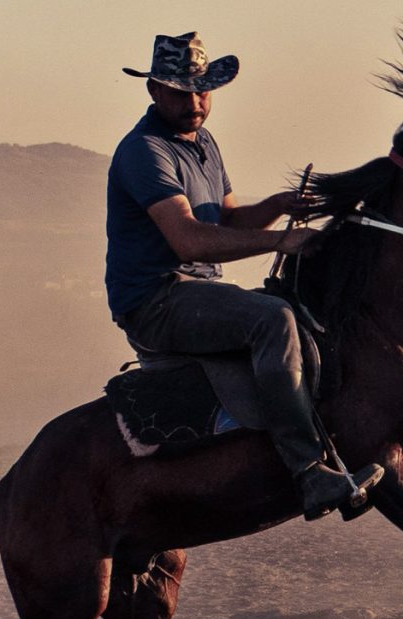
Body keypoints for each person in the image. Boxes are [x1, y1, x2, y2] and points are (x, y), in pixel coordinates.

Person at [107, 32, 384, 520]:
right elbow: (190, 240)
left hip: (196, 293)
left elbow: (227, 222)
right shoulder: (144, 152)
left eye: (202, 90)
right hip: (157, 301)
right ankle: (309, 473)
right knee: (272, 319)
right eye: (180, 91)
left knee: (302, 314)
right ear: (153, 91)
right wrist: (282, 241)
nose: (194, 101)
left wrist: (277, 208)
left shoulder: (203, 143)